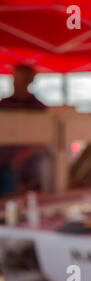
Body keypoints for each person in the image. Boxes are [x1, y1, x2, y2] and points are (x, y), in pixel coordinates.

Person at [0, 63, 49, 195]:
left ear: (29, 81)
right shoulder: (4, 104)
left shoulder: (38, 107)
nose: (15, 83)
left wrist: (23, 155)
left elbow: (44, 139)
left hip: (26, 164)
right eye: (14, 79)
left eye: (19, 79)